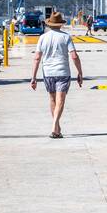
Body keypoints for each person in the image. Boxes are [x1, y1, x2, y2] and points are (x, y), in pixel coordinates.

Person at [30, 10, 83, 138]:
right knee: (61, 100)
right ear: (60, 24)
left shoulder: (43, 37)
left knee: (53, 99)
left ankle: (56, 128)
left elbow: (37, 57)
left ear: (49, 24)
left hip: (48, 73)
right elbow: (74, 56)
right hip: (63, 72)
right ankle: (55, 125)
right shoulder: (66, 37)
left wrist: (33, 77)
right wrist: (80, 72)